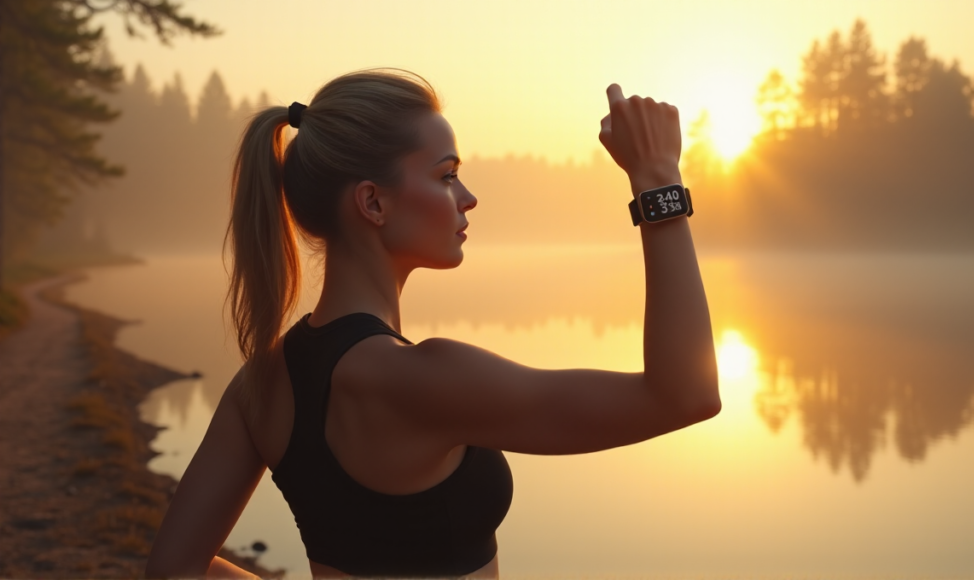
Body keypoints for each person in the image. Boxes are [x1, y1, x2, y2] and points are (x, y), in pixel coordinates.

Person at [145, 68, 720, 579]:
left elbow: (175, 569)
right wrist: (656, 181)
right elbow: (683, 395)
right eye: (446, 176)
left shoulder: (260, 385)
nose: (467, 198)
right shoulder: (424, 379)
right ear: (373, 204)